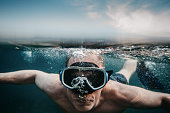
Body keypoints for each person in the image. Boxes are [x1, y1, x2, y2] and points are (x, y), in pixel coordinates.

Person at [0, 50, 170, 113]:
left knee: (125, 73)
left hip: (116, 82)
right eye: (73, 78)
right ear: (62, 78)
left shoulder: (122, 94)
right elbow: (34, 75)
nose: (82, 90)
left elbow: (164, 99)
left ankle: (136, 61)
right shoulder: (53, 85)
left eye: (93, 79)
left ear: (104, 78)